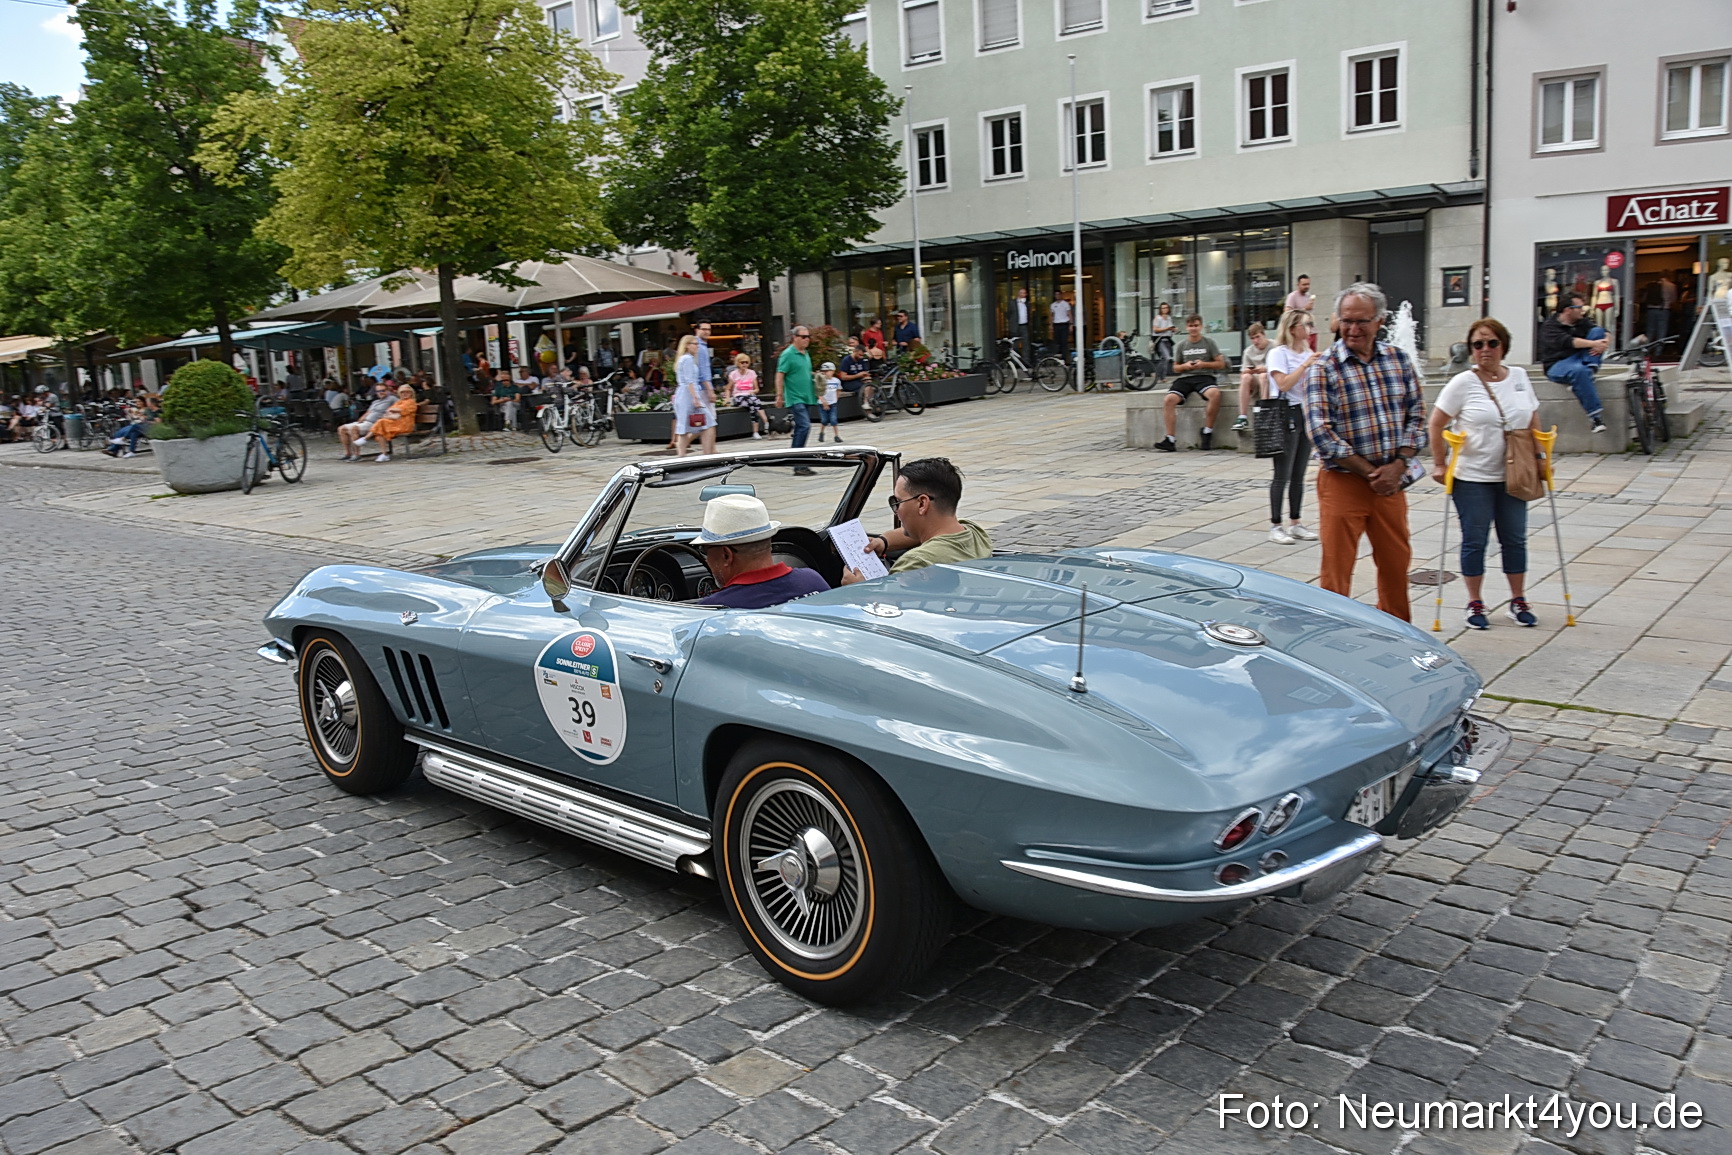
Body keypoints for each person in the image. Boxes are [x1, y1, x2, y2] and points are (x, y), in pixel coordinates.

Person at [1305, 282, 1426, 623]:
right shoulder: (1324, 367)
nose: (1353, 329)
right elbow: (1320, 432)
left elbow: (1417, 415)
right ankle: (1330, 637)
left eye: (1361, 321)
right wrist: (1369, 472)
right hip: (1344, 481)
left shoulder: (1398, 360)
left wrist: (1398, 465)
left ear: (1379, 321)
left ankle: (1400, 632)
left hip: (1391, 482)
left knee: (1396, 563)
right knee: (1336, 571)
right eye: (1346, 321)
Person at [1428, 316, 1543, 631]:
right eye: (1477, 344)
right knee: (1475, 540)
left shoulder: (1519, 377)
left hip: (1515, 474)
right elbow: (1436, 423)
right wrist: (1439, 464)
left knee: (1515, 538)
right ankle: (1475, 601)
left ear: (1503, 346)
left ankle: (1518, 599)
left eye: (1491, 343)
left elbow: (1532, 419)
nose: (1485, 349)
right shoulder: (1463, 383)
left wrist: (1541, 457)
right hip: (1472, 476)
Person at [844, 457, 993, 583]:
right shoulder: (974, 532)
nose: (897, 512)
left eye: (897, 502)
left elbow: (887, 609)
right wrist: (884, 541)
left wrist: (859, 589)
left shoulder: (916, 563)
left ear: (922, 504)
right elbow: (928, 533)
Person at [693, 494, 831, 608]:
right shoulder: (812, 580)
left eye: (705, 550)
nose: (706, 560)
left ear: (726, 555)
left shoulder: (715, 608)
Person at [1262, 310, 1322, 545]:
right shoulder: (1279, 353)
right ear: (1293, 327)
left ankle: (1296, 522)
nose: (1310, 328)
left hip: (1305, 413)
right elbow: (1283, 384)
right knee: (1282, 473)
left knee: (1299, 473)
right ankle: (1276, 525)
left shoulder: (1308, 353)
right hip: (1286, 413)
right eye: (1307, 324)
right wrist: (1306, 365)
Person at [1154, 315, 1226, 452]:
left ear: (1201, 327)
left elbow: (1221, 363)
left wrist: (1203, 364)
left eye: (1196, 326)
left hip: (1204, 376)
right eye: (1191, 326)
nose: (1194, 329)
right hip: (1186, 378)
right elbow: (1175, 367)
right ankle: (1170, 439)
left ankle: (1207, 431)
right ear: (1187, 327)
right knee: (1169, 399)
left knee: (1215, 394)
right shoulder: (1182, 345)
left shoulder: (1209, 342)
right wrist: (1186, 366)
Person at [1539, 295, 1609, 433]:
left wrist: (1605, 341)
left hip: (1580, 359)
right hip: (1557, 364)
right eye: (1579, 308)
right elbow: (1570, 341)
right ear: (1567, 310)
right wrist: (1594, 344)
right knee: (1579, 371)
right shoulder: (1549, 327)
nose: (1582, 311)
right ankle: (1595, 418)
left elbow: (1604, 332)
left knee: (1597, 331)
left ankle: (1587, 372)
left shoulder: (1582, 321)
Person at [776, 326, 817, 472]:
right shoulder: (788, 354)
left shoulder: (805, 353)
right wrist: (779, 395)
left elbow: (803, 372)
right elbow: (780, 374)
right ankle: (798, 463)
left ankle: (795, 459)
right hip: (795, 397)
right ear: (795, 337)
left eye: (808, 337)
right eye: (803, 337)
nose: (807, 339)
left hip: (807, 396)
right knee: (804, 426)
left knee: (801, 428)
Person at [672, 333, 716, 457]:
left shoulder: (685, 359)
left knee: (685, 425)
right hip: (688, 395)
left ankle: (682, 453)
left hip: (685, 394)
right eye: (694, 344)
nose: (697, 346)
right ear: (687, 346)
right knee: (708, 423)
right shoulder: (687, 359)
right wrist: (696, 398)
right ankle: (705, 454)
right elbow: (689, 380)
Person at [340, 380, 397, 461]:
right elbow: (368, 412)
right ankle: (348, 453)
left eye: (383, 390)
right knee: (341, 429)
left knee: (354, 428)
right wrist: (361, 419)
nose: (380, 392)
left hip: (375, 423)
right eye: (378, 391)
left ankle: (356, 455)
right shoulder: (375, 401)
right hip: (366, 422)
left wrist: (390, 411)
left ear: (387, 390)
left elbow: (400, 405)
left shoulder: (391, 398)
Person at [365, 383, 419, 462]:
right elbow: (389, 410)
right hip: (397, 423)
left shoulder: (411, 402)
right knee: (381, 426)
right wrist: (391, 411)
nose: (405, 394)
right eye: (402, 392)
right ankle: (384, 453)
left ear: (411, 393)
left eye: (407, 392)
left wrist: (392, 411)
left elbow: (401, 410)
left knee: (381, 423)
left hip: (405, 425)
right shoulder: (399, 402)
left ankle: (367, 439)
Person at [1232, 322, 1271, 432]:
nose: (1255, 341)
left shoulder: (1274, 347)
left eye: (1258, 337)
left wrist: (1265, 369)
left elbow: (1280, 367)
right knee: (1245, 378)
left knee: (1264, 376)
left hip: (1270, 379)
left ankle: (1265, 412)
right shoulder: (1248, 351)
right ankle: (1242, 417)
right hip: (1255, 380)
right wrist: (1249, 371)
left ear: (1264, 334)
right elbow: (1242, 373)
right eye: (1252, 338)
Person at [728, 353, 769, 439]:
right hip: (738, 396)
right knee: (752, 400)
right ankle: (765, 420)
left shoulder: (752, 373)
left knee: (752, 404)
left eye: (746, 362)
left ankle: (756, 431)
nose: (744, 364)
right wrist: (727, 399)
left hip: (750, 396)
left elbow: (757, 389)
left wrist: (752, 391)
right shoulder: (734, 374)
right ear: (738, 363)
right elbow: (728, 388)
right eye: (742, 362)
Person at [816, 362, 841, 443]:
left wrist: (836, 399)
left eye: (827, 371)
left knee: (833, 419)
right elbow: (818, 392)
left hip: (832, 403)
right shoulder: (821, 381)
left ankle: (836, 435)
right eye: (824, 371)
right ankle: (821, 433)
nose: (825, 373)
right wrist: (823, 402)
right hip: (822, 404)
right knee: (824, 420)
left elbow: (838, 390)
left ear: (833, 371)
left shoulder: (836, 381)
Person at [1150, 302, 1176, 380]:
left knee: (1164, 358)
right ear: (1160, 309)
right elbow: (1155, 329)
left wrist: (1173, 330)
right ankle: (1160, 375)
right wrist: (1167, 329)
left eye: (1166, 308)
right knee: (1166, 357)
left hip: (1167, 339)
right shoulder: (1158, 318)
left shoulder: (1169, 318)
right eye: (1163, 308)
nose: (1165, 309)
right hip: (1160, 340)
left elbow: (1170, 328)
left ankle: (1160, 375)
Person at [1050, 292, 1073, 358]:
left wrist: (1071, 324)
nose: (1057, 296)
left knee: (1064, 342)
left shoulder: (1065, 304)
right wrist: (1051, 325)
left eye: (1058, 294)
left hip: (1064, 324)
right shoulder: (1052, 305)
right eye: (1056, 294)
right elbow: (1051, 315)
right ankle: (1058, 358)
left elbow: (1069, 314)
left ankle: (1064, 358)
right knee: (1057, 342)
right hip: (1056, 324)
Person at [1012, 288, 1032, 357]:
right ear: (1019, 294)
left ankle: (1026, 361)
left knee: (1026, 343)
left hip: (1024, 325)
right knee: (1015, 344)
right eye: (1022, 293)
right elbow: (1009, 314)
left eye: (1025, 293)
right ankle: (1015, 361)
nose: (1024, 295)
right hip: (1016, 326)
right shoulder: (1013, 303)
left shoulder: (1027, 303)